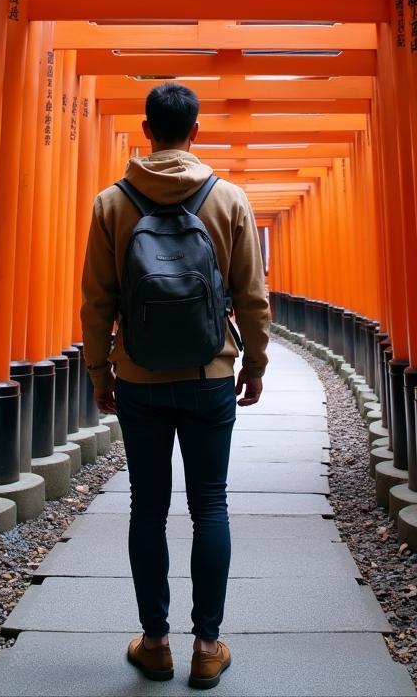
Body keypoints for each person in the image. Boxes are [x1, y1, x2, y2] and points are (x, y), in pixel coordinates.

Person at [80, 82, 270, 690]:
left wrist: (99, 371)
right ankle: (207, 646)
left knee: (148, 507)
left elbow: (96, 301)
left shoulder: (112, 203)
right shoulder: (230, 199)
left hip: (138, 378)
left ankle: (156, 642)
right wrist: (256, 365)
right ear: (195, 131)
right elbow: (253, 298)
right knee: (209, 504)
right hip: (209, 375)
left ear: (146, 129)